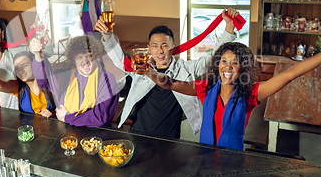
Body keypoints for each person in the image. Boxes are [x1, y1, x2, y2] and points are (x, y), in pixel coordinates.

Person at [145, 30, 321, 150]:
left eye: (234, 63)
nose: (227, 67)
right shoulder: (206, 89)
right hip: (204, 161)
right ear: (217, 64)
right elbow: (170, 83)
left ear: (243, 67)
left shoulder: (251, 94)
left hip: (233, 163)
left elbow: (291, 73)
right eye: (223, 61)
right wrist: (148, 71)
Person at [95, 8, 240, 139]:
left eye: (165, 45)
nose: (160, 51)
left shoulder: (186, 69)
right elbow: (119, 58)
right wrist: (107, 35)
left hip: (170, 137)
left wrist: (229, 27)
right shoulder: (139, 67)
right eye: (155, 46)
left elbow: (213, 58)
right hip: (138, 133)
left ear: (173, 47)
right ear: (149, 49)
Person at [29, 34, 119, 127]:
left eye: (88, 56)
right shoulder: (65, 77)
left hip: (96, 136)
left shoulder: (107, 79)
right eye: (80, 57)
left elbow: (100, 117)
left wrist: (67, 117)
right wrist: (38, 55)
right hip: (66, 134)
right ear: (73, 60)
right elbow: (44, 80)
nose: (85, 61)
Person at [0, 51, 55, 117]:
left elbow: (66, 107)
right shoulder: (18, 86)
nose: (21, 70)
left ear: (34, 65)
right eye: (17, 68)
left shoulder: (51, 83)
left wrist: (53, 113)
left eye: (25, 65)